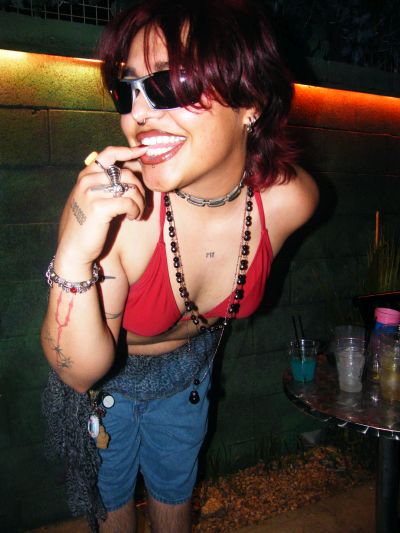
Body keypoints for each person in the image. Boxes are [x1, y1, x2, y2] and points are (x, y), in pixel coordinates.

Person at [41, 0, 319, 531]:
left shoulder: (291, 202)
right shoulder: (126, 218)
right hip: (105, 389)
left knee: (175, 495)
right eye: (127, 89)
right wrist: (74, 253)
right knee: (110, 507)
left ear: (251, 101)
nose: (139, 113)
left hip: (190, 374)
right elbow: (79, 371)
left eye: (170, 84)